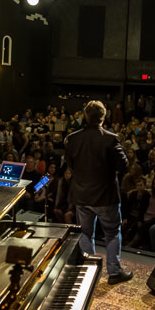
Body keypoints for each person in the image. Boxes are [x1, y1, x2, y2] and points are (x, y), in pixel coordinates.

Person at [64, 100, 133, 285]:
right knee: (112, 232)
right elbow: (123, 165)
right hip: (105, 196)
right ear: (103, 117)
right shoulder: (110, 138)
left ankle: (89, 271)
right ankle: (114, 272)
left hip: (81, 195)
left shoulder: (73, 138)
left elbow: (70, 164)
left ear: (86, 116)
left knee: (86, 233)